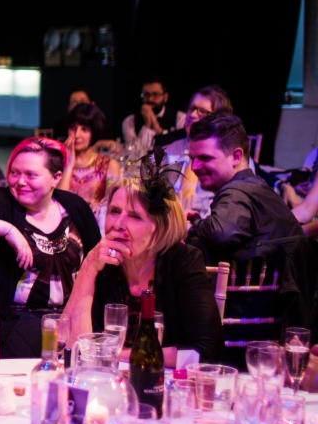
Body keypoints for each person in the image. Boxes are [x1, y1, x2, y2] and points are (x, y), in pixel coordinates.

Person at [0, 137, 101, 357]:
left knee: (92, 352)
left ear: (56, 178)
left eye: (31, 175)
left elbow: (96, 261)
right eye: (14, 173)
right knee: (55, 352)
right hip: (14, 319)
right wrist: (7, 230)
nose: (20, 182)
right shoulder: (2, 203)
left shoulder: (74, 207)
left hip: (70, 315)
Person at [61, 175, 222, 363]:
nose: (118, 224)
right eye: (114, 211)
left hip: (165, 379)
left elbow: (207, 352)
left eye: (135, 216)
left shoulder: (183, 261)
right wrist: (88, 268)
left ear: (161, 227)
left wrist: (119, 355)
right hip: (108, 378)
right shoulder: (103, 263)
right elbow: (69, 347)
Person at [185, 113, 311, 332]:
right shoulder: (254, 188)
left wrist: (190, 228)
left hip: (244, 332)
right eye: (192, 158)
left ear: (236, 157)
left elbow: (221, 233)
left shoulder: (238, 192)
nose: (194, 166)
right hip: (279, 325)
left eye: (205, 158)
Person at [154, 85, 235, 217]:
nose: (192, 115)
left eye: (202, 111)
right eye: (191, 109)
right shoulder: (168, 151)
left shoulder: (227, 159)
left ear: (218, 120)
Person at [58, 102, 121, 214]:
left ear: (95, 131)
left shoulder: (109, 165)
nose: (77, 135)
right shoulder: (58, 162)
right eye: (73, 127)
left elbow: (113, 206)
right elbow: (58, 204)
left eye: (85, 129)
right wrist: (68, 166)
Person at [122, 78, 184, 155]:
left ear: (165, 97)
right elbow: (135, 154)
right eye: (146, 95)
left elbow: (179, 150)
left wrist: (158, 129)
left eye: (155, 95)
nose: (150, 99)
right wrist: (147, 125)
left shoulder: (180, 118)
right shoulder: (130, 121)